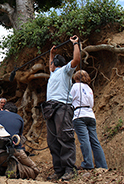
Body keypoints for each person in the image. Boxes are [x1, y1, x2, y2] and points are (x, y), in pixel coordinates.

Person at [46, 35, 81, 181]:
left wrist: (76, 44)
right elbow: (49, 65)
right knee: (52, 140)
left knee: (65, 138)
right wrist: (51, 53)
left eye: (53, 62)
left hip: (62, 107)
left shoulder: (66, 70)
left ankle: (69, 169)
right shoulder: (53, 73)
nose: (51, 65)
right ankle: (58, 170)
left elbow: (77, 60)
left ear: (57, 64)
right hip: (50, 108)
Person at [0, 102, 39, 179]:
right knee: (35, 171)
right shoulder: (18, 118)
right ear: (15, 112)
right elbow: (19, 137)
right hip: (10, 153)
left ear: (2, 109)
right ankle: (17, 170)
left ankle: (1, 169)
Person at [71, 70, 108, 170]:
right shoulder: (89, 89)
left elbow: (70, 100)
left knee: (84, 140)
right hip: (90, 115)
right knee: (94, 141)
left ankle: (88, 163)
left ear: (76, 78)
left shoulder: (75, 86)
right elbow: (92, 104)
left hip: (79, 115)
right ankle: (102, 165)